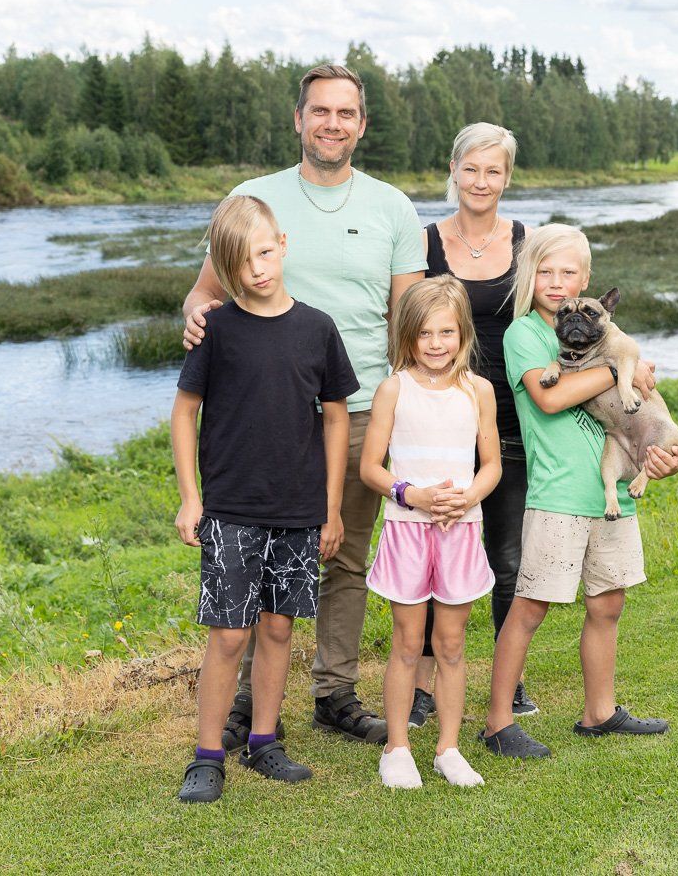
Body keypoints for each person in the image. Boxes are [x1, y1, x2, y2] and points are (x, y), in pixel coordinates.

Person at [182, 65, 426, 747]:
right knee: (258, 559)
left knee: (342, 555)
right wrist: (195, 315)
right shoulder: (251, 199)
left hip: (358, 411)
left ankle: (334, 694)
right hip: (263, 419)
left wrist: (409, 409)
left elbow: (408, 323)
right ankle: (246, 707)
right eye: (320, 111)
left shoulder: (392, 209)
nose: (332, 124)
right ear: (298, 118)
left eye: (345, 113)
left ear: (362, 125)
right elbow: (203, 292)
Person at [173, 195, 360, 803]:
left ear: (282, 244)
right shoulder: (216, 330)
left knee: (279, 629)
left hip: (299, 511)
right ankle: (207, 755)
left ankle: (263, 741)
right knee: (230, 636)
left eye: (262, 252)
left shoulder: (318, 329)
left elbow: (336, 417)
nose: (255, 269)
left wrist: (331, 507)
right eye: (239, 262)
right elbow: (184, 413)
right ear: (224, 269)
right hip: (230, 509)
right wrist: (190, 498)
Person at [479, 224, 678, 759]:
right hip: (558, 492)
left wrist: (660, 454)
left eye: (567, 272)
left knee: (608, 603)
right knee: (530, 607)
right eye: (544, 271)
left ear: (586, 279)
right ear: (528, 275)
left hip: (610, 494)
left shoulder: (606, 334)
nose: (555, 281)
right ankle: (498, 722)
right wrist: (622, 368)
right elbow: (550, 398)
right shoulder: (526, 334)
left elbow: (641, 408)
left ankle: (599, 712)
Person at [360, 276, 501, 788]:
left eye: (446, 332)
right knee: (406, 642)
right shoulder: (393, 389)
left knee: (452, 643)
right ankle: (397, 748)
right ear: (407, 336)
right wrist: (412, 495)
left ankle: (448, 749)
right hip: (407, 530)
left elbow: (491, 465)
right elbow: (370, 467)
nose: (436, 344)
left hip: (460, 531)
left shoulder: (478, 390)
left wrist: (467, 497)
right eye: (424, 333)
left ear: (462, 333)